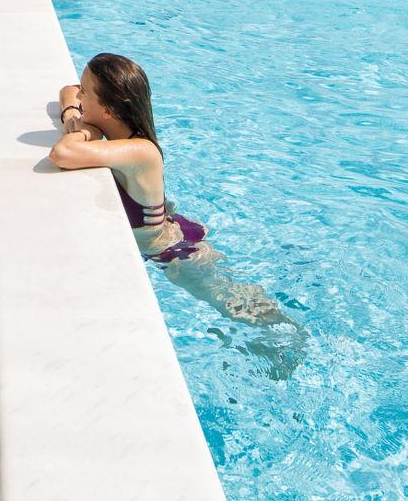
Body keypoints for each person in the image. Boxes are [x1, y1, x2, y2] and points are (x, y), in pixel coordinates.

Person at [52, 52, 301, 372]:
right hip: (166, 231)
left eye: (88, 93)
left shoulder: (141, 151)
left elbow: (63, 152)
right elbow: (67, 91)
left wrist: (80, 129)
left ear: (109, 110)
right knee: (231, 298)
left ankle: (293, 340)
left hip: (173, 251)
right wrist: (78, 113)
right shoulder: (115, 132)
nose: (80, 95)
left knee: (233, 301)